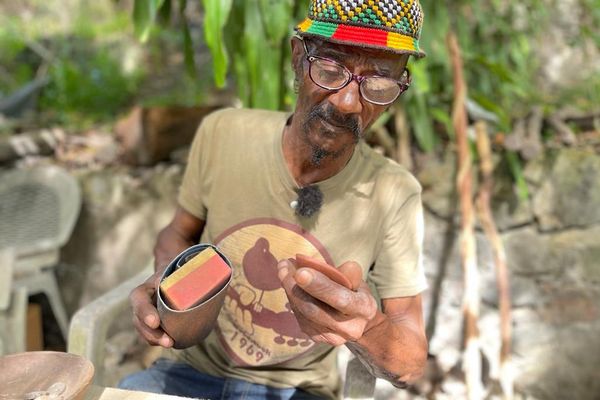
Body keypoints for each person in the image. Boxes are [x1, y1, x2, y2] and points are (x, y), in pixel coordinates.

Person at [121, 0, 428, 398]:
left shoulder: (395, 193)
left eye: (379, 83)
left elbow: (411, 363)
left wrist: (366, 328)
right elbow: (178, 234)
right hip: (188, 374)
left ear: (400, 86)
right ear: (298, 58)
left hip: (296, 390)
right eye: (331, 68)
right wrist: (166, 283)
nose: (348, 102)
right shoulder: (222, 134)